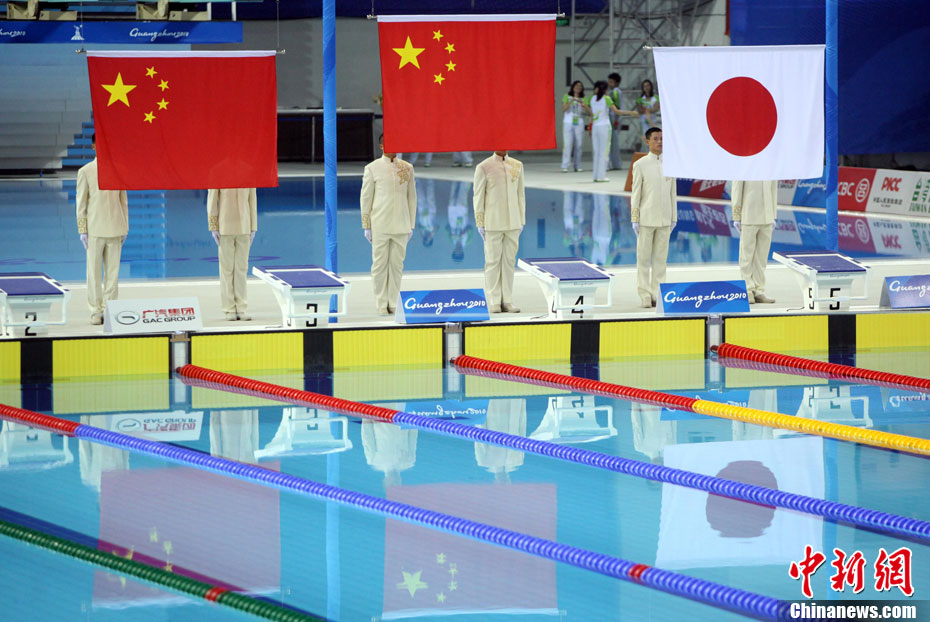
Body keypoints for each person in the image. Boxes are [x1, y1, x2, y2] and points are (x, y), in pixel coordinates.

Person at [360, 134, 417, 314]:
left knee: (397, 265)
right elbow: (366, 198)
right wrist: (366, 225)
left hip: (401, 224)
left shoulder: (407, 168)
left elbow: (412, 197)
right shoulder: (372, 169)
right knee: (379, 265)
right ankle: (381, 302)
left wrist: (411, 224)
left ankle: (393, 301)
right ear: (382, 146)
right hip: (380, 224)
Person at [76, 134, 128, 325]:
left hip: (115, 228)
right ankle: (95, 310)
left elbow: (123, 201)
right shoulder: (86, 171)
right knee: (93, 273)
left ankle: (110, 308)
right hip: (94, 230)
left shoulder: (119, 170)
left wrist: (125, 227)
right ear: (93, 146)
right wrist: (82, 229)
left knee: (113, 274)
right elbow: (81, 203)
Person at [474, 150, 525, 313]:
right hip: (492, 222)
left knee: (509, 261)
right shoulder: (484, 167)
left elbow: (521, 195)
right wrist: (480, 221)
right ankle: (494, 300)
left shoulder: (517, 165)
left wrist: (521, 219)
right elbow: (478, 196)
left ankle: (508, 299)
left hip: (513, 222)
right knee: (492, 262)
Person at [631, 127, 677, 308]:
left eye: (662, 139)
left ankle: (657, 292)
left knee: (660, 259)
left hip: (665, 219)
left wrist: (674, 216)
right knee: (643, 258)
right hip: (646, 218)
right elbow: (636, 193)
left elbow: (673, 193)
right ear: (647, 141)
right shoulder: (640, 165)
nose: (660, 142)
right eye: (656, 139)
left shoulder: (671, 163)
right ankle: (644, 293)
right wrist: (635, 218)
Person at [207, 188, 257, 321]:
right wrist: (213, 226)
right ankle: (229, 308)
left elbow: (252, 201)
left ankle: (241, 308)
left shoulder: (249, 176)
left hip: (244, 228)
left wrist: (253, 227)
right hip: (225, 228)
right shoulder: (218, 176)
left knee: (241, 269)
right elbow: (212, 201)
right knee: (226, 270)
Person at [731, 180, 778, 304]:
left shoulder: (771, 170)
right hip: (748, 215)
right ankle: (748, 289)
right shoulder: (745, 168)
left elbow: (773, 190)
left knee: (761, 257)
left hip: (767, 217)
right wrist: (736, 215)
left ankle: (759, 290)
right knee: (746, 256)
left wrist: (773, 215)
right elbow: (737, 189)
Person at [586, 80, 635, 183]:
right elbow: (617, 111)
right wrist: (630, 112)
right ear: (605, 89)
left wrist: (590, 126)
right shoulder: (606, 98)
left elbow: (590, 113)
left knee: (596, 152)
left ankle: (596, 175)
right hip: (604, 127)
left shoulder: (592, 98)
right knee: (604, 151)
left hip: (595, 127)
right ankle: (601, 176)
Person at [561, 80, 588, 173]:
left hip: (578, 121)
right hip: (568, 121)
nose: (578, 87)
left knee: (579, 144)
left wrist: (583, 104)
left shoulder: (583, 98)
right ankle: (565, 165)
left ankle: (578, 165)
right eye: (576, 85)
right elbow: (564, 109)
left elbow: (588, 111)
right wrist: (571, 100)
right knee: (567, 144)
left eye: (580, 86)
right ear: (573, 87)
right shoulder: (567, 96)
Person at [607, 72, 626, 170]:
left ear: (617, 83)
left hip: (614, 118)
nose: (609, 83)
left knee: (613, 143)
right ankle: (615, 163)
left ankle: (615, 163)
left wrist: (616, 120)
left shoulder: (615, 92)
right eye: (609, 81)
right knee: (613, 142)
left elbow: (617, 107)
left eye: (611, 82)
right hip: (614, 118)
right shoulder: (615, 91)